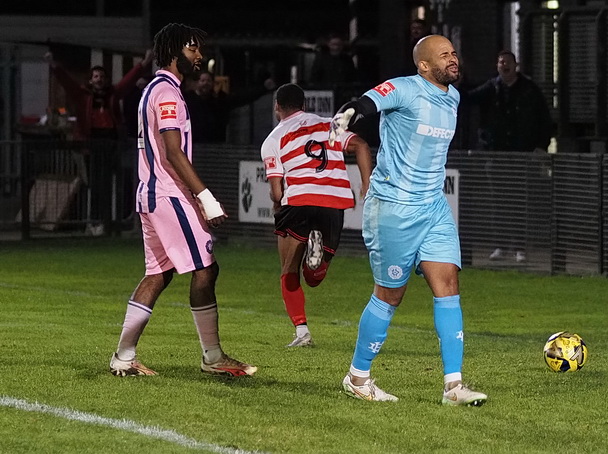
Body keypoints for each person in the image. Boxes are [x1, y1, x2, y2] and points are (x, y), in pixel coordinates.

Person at [328, 35, 487, 406]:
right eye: (444, 55)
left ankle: (453, 387)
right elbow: (368, 102)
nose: (453, 59)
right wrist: (347, 115)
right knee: (389, 295)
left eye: (454, 53)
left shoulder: (454, 97)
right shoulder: (404, 88)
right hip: (393, 208)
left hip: (433, 207)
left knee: (448, 283)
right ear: (424, 65)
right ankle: (358, 377)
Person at [109, 23, 257, 377]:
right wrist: (205, 197)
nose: (199, 56)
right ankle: (213, 357)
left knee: (158, 273)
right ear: (174, 51)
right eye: (192, 49)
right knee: (205, 268)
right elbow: (174, 153)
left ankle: (124, 357)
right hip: (168, 194)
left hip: (150, 193)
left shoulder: (153, 89)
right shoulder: (168, 93)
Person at [260, 83, 372, 347]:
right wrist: (367, 185)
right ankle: (316, 262)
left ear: (277, 107)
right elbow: (362, 146)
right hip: (332, 203)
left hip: (297, 201)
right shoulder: (330, 125)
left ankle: (302, 333)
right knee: (315, 278)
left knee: (288, 270)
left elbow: (277, 193)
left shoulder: (273, 139)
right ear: (305, 105)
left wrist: (277, 204)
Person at [45, 49, 154, 235]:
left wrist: (144, 63)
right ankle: (95, 222)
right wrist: (54, 65)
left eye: (102, 76)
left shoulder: (112, 94)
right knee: (95, 184)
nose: (99, 79)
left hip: (111, 143)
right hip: (92, 145)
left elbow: (127, 81)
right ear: (90, 80)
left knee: (112, 184)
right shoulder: (83, 96)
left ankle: (109, 222)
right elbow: (67, 82)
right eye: (96, 76)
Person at [468, 50, 553, 263]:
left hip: (521, 155)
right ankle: (500, 245)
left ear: (516, 65)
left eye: (507, 62)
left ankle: (520, 247)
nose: (503, 65)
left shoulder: (529, 90)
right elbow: (468, 99)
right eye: (500, 62)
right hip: (496, 155)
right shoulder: (491, 88)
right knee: (498, 202)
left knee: (520, 201)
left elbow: (544, 118)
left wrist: (541, 146)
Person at [184, 71, 276, 143]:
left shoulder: (218, 100)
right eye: (202, 80)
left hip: (214, 144)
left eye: (208, 81)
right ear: (196, 83)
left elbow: (241, 97)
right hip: (192, 142)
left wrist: (263, 88)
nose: (206, 83)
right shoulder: (187, 100)